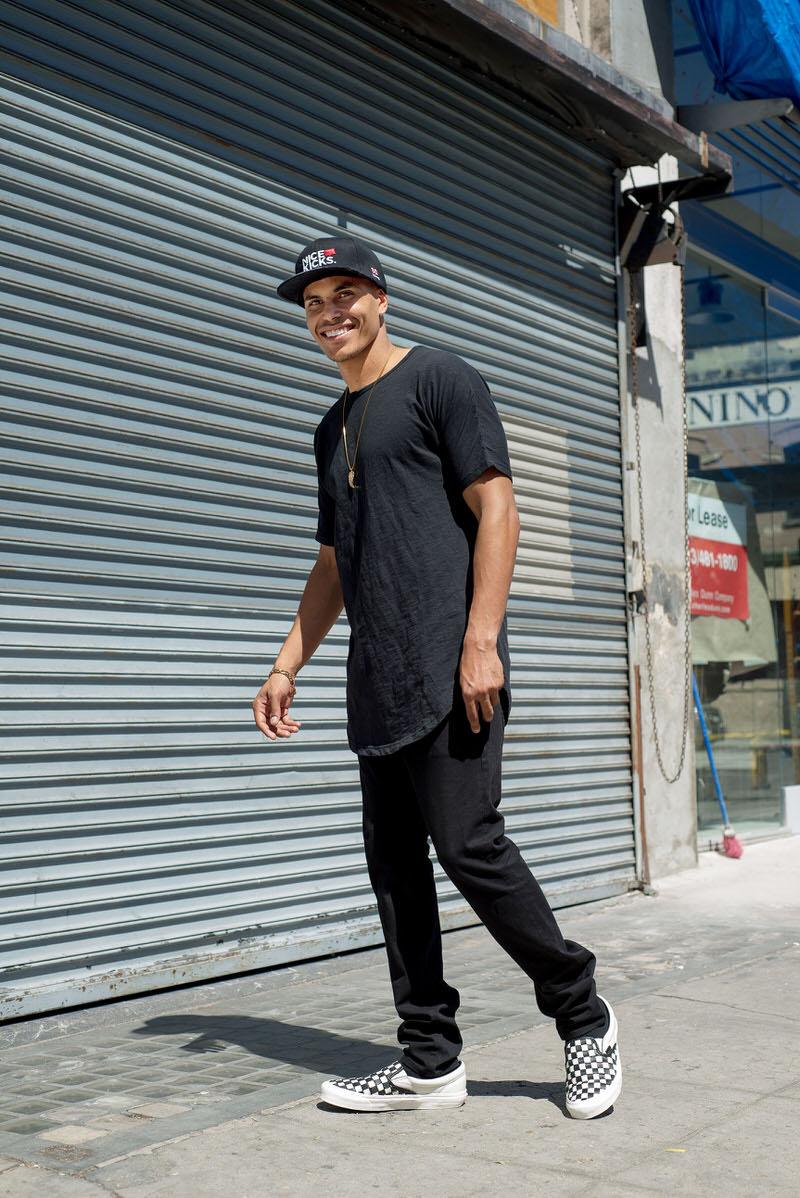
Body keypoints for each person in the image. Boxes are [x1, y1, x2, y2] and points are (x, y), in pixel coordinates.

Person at [253, 235, 622, 1118]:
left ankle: (585, 1019)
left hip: (455, 666)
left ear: (381, 300)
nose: (329, 314)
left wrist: (481, 640)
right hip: (376, 675)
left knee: (468, 847)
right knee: (394, 870)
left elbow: (498, 504)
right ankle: (429, 1060)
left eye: (345, 295)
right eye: (312, 303)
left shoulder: (439, 378)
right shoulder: (330, 428)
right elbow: (334, 563)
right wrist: (285, 663)